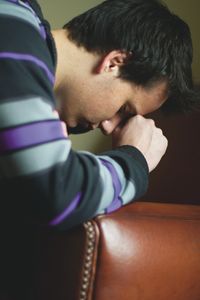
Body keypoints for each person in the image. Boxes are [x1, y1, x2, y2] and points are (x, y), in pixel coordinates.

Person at [0, 0, 198, 230]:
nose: (107, 126)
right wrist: (134, 160)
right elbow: (55, 193)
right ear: (115, 63)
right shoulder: (13, 30)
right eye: (123, 109)